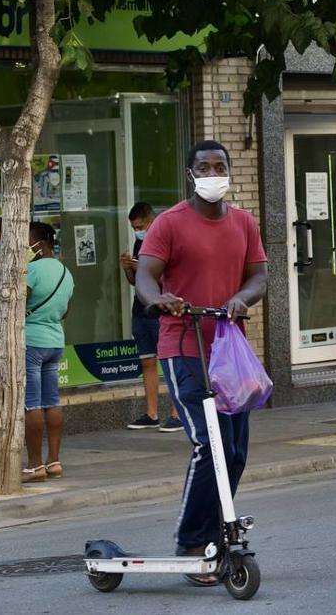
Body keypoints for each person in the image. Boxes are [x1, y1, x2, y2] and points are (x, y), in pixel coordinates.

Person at [135, 140, 267, 585]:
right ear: (190, 174)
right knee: (208, 446)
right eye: (205, 167)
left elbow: (259, 275)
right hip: (184, 346)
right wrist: (159, 301)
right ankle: (192, 541)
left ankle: (215, 535)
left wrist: (242, 297)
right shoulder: (169, 224)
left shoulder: (245, 223)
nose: (213, 174)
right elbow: (145, 276)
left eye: (220, 166)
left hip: (229, 351)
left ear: (229, 172)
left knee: (235, 452)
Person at [121, 202, 181, 432]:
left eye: (140, 226)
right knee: (147, 361)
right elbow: (135, 281)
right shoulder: (140, 243)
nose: (138, 231)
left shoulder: (165, 242)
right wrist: (128, 267)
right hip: (141, 309)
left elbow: (165, 281)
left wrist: (140, 269)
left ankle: (177, 413)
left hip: (162, 309)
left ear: (152, 221)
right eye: (134, 227)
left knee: (169, 362)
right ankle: (151, 412)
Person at [22, 221, 74, 483]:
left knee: (32, 404)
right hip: (55, 341)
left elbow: (18, 303)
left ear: (40, 245)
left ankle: (34, 465)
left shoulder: (31, 270)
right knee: (51, 401)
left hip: (32, 341)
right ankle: (53, 461)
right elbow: (65, 310)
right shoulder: (66, 272)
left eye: (27, 242)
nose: (24, 247)